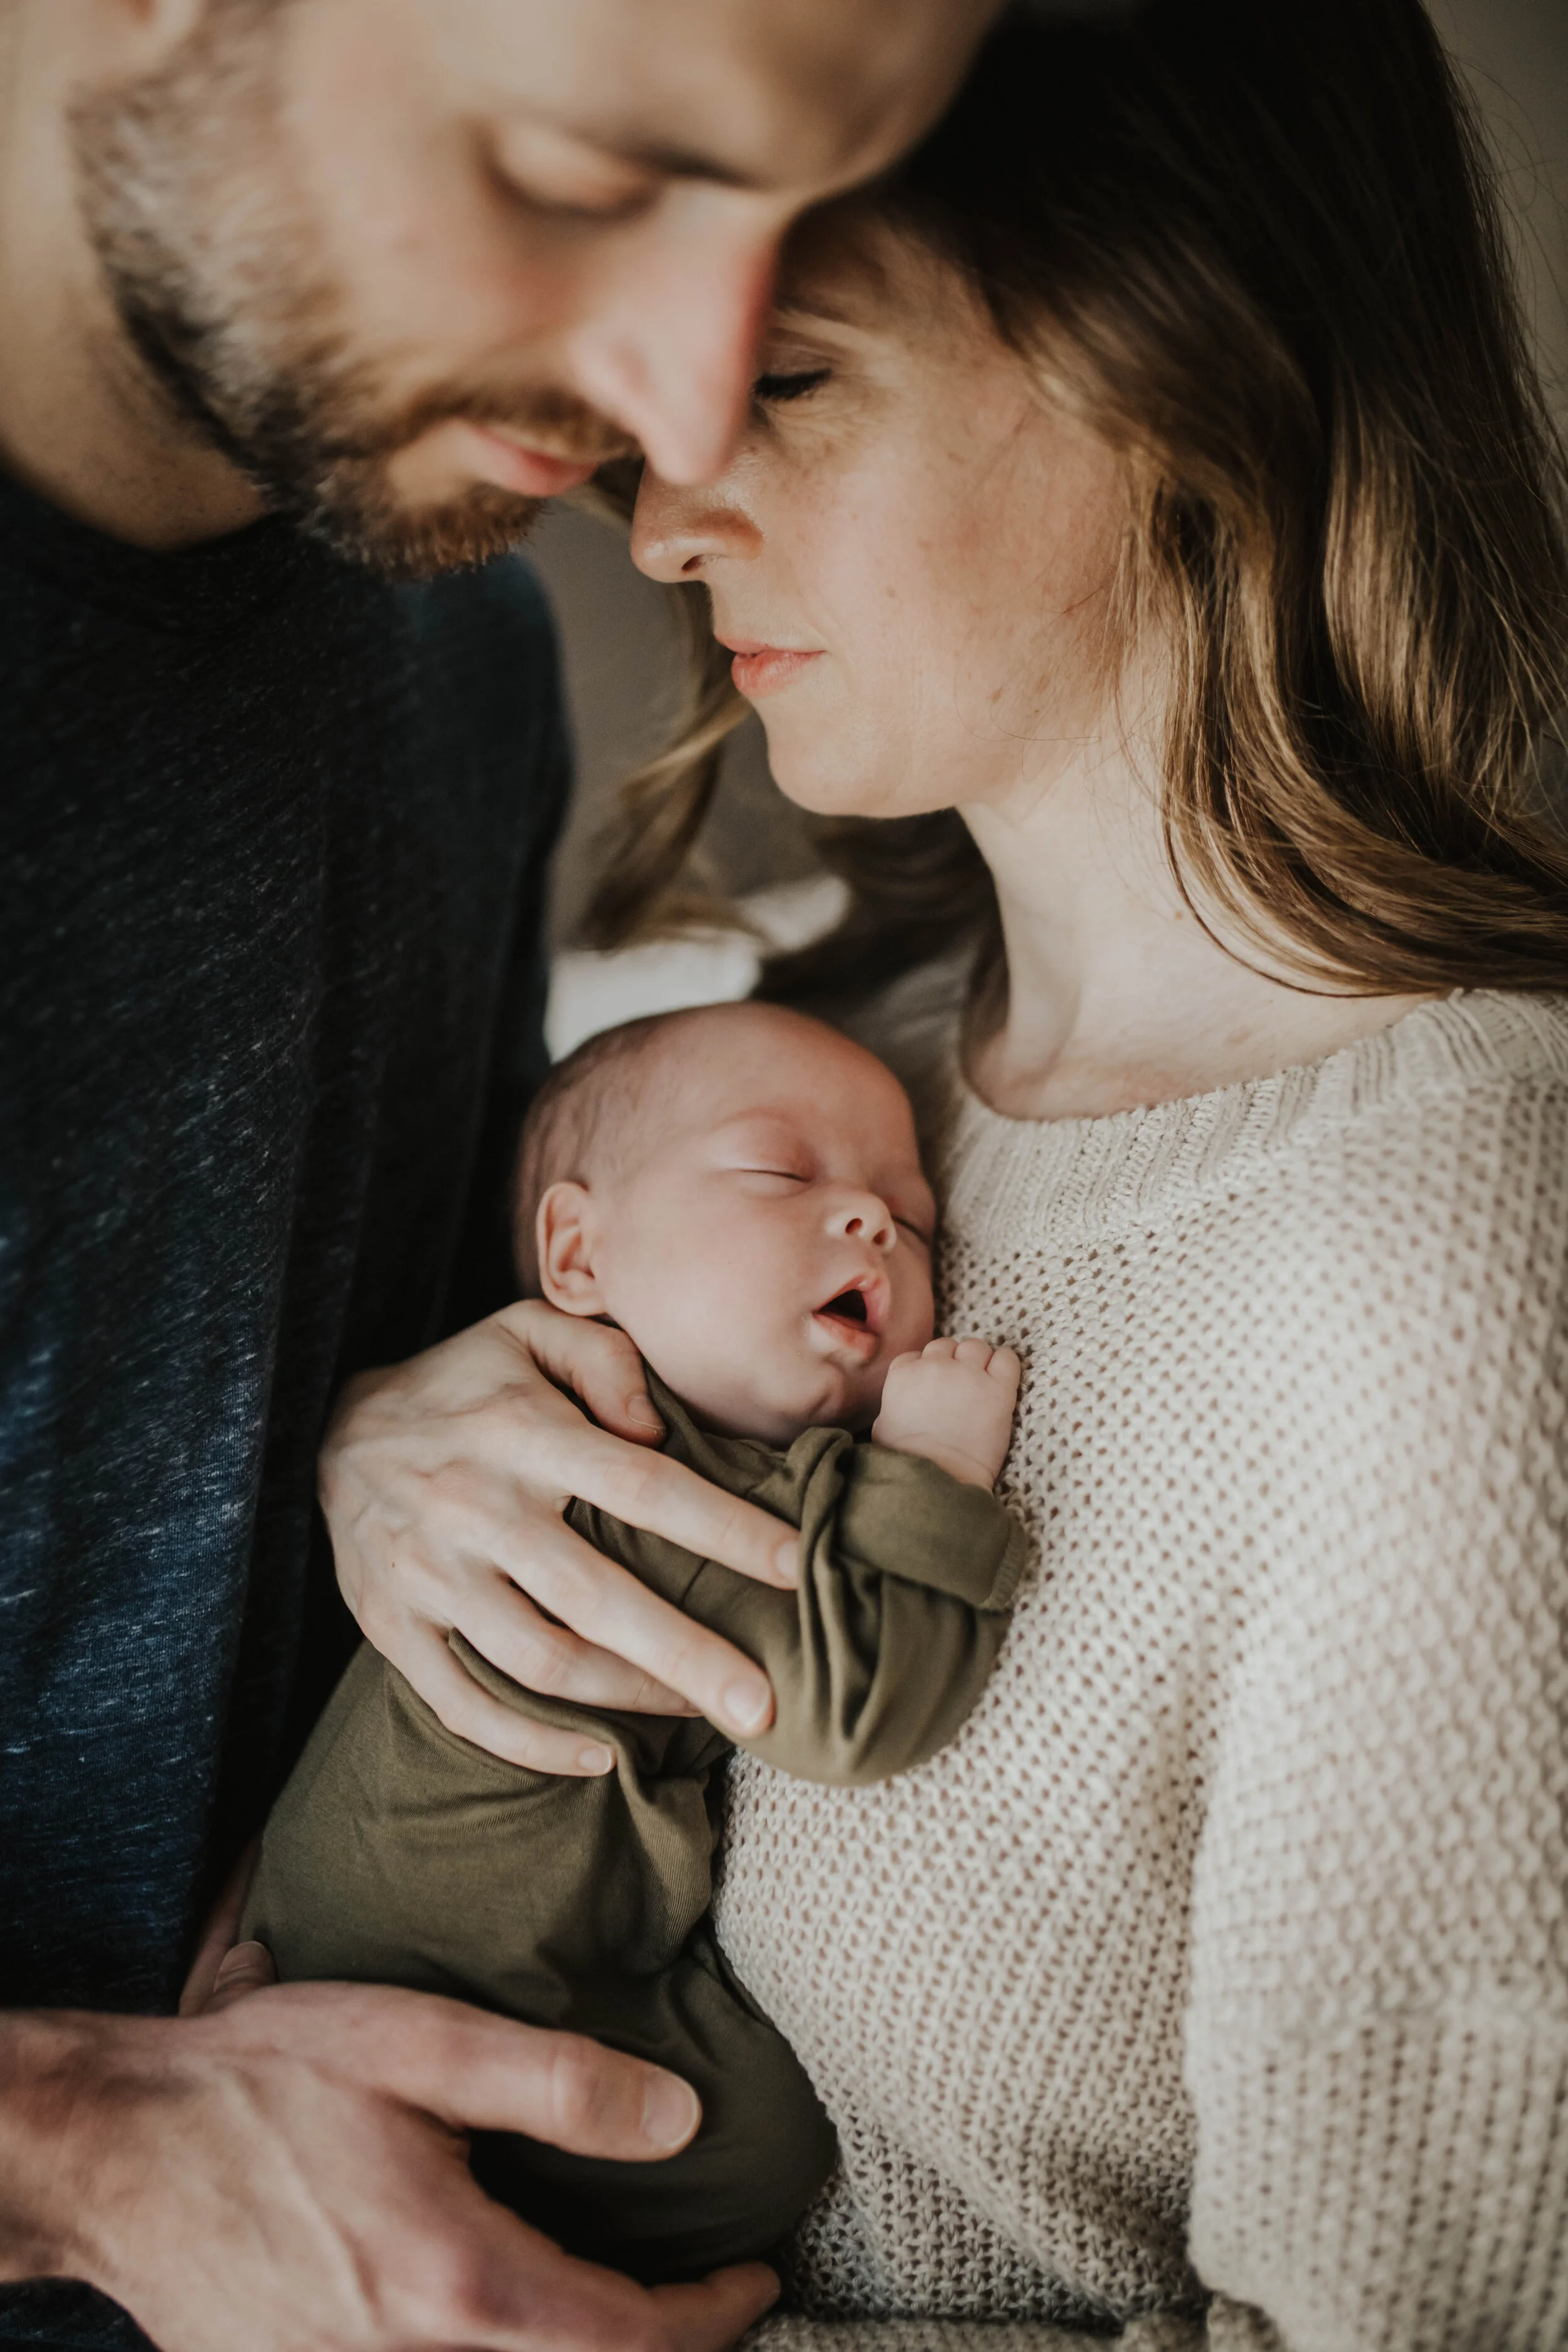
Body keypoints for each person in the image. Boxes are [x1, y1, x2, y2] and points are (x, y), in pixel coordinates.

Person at [345, 0, 1568, 2342]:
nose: (666, 509)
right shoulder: (815, 1078)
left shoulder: (1451, 1252)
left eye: (789, 378)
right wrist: (389, 1466)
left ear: (1184, 362)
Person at [0, 3, 1010, 2347]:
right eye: (586, 168)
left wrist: (383, 1407)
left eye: (787, 229)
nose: (677, 424)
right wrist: (81, 2144)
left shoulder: (442, 652)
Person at [242, 1000, 1024, 2283]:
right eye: (781, 1171)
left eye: (915, 1217)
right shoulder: (638, 1474)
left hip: (344, 1942)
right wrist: (932, 1472)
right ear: (577, 1255)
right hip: (445, 2017)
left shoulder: (602, 1444)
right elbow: (856, 1713)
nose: (872, 1218)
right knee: (767, 2141)